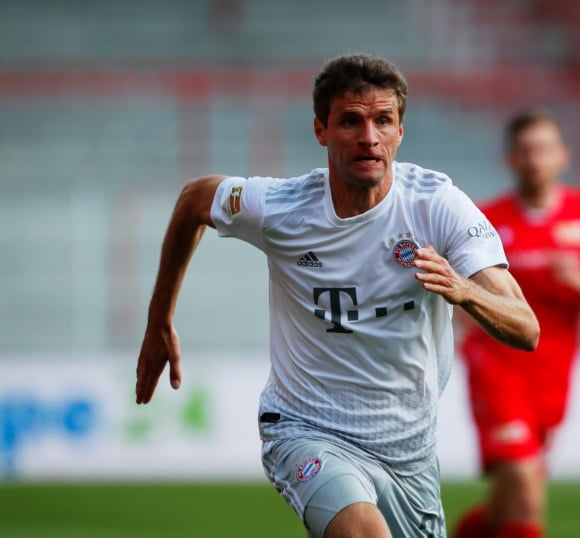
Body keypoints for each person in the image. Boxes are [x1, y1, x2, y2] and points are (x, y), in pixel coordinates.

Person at [134, 53, 540, 538]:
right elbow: (195, 199)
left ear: (400, 132)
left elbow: (526, 327)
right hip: (306, 428)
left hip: (408, 451)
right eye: (350, 121)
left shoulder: (438, 206)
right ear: (320, 131)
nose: (369, 137)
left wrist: (464, 289)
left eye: (383, 120)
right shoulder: (283, 209)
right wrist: (160, 318)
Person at [453, 110, 580, 538]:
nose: (535, 159)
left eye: (543, 149)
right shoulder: (486, 221)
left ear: (563, 156)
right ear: (510, 160)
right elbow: (457, 292)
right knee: (526, 492)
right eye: (525, 151)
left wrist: (579, 279)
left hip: (553, 376)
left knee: (505, 508)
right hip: (496, 368)